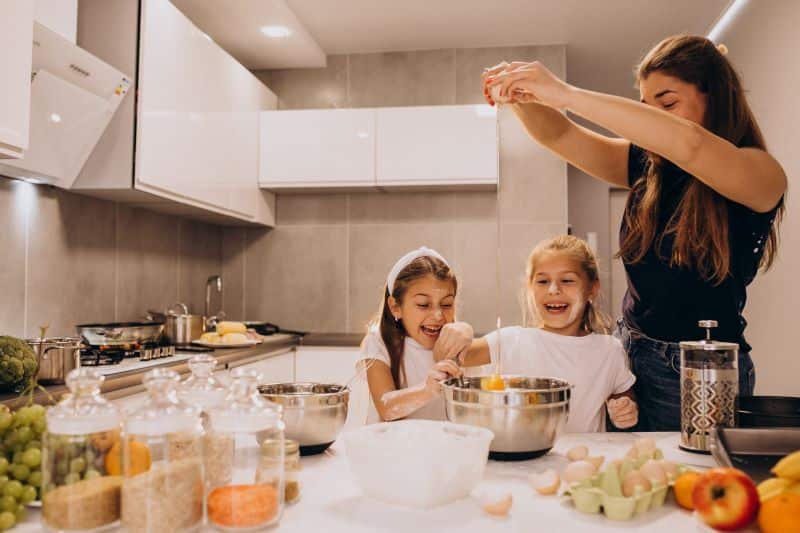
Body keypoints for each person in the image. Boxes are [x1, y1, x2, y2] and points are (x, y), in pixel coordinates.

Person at [481, 35, 786, 430]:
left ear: (716, 97)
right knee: (634, 478)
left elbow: (690, 143)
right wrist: (519, 95)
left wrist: (564, 93)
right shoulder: (648, 166)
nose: (653, 119)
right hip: (632, 352)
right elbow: (560, 136)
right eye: (646, 107)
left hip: (697, 370)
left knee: (692, 482)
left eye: (668, 103)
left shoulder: (760, 173)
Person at [444, 235, 638, 432]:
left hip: (582, 460)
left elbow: (622, 395)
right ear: (530, 288)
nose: (553, 289)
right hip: (525, 460)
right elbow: (452, 355)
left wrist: (625, 410)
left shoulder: (609, 350)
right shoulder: (511, 341)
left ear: (592, 289)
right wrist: (462, 330)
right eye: (543, 281)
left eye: (567, 280)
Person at [358, 247, 473, 423]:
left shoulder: (455, 342)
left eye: (447, 304)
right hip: (388, 448)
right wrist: (426, 390)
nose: (438, 316)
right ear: (395, 307)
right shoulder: (378, 342)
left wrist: (466, 330)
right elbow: (386, 408)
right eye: (423, 304)